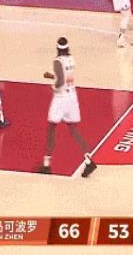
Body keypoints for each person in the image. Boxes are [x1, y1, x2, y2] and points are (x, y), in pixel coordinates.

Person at [40, 37, 97, 178]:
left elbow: (60, 82)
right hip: (72, 96)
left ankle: (46, 164)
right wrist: (52, 76)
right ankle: (89, 160)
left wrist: (53, 87)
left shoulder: (57, 61)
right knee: (73, 130)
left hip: (61, 98)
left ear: (57, 48)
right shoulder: (71, 59)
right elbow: (65, 77)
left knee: (51, 128)